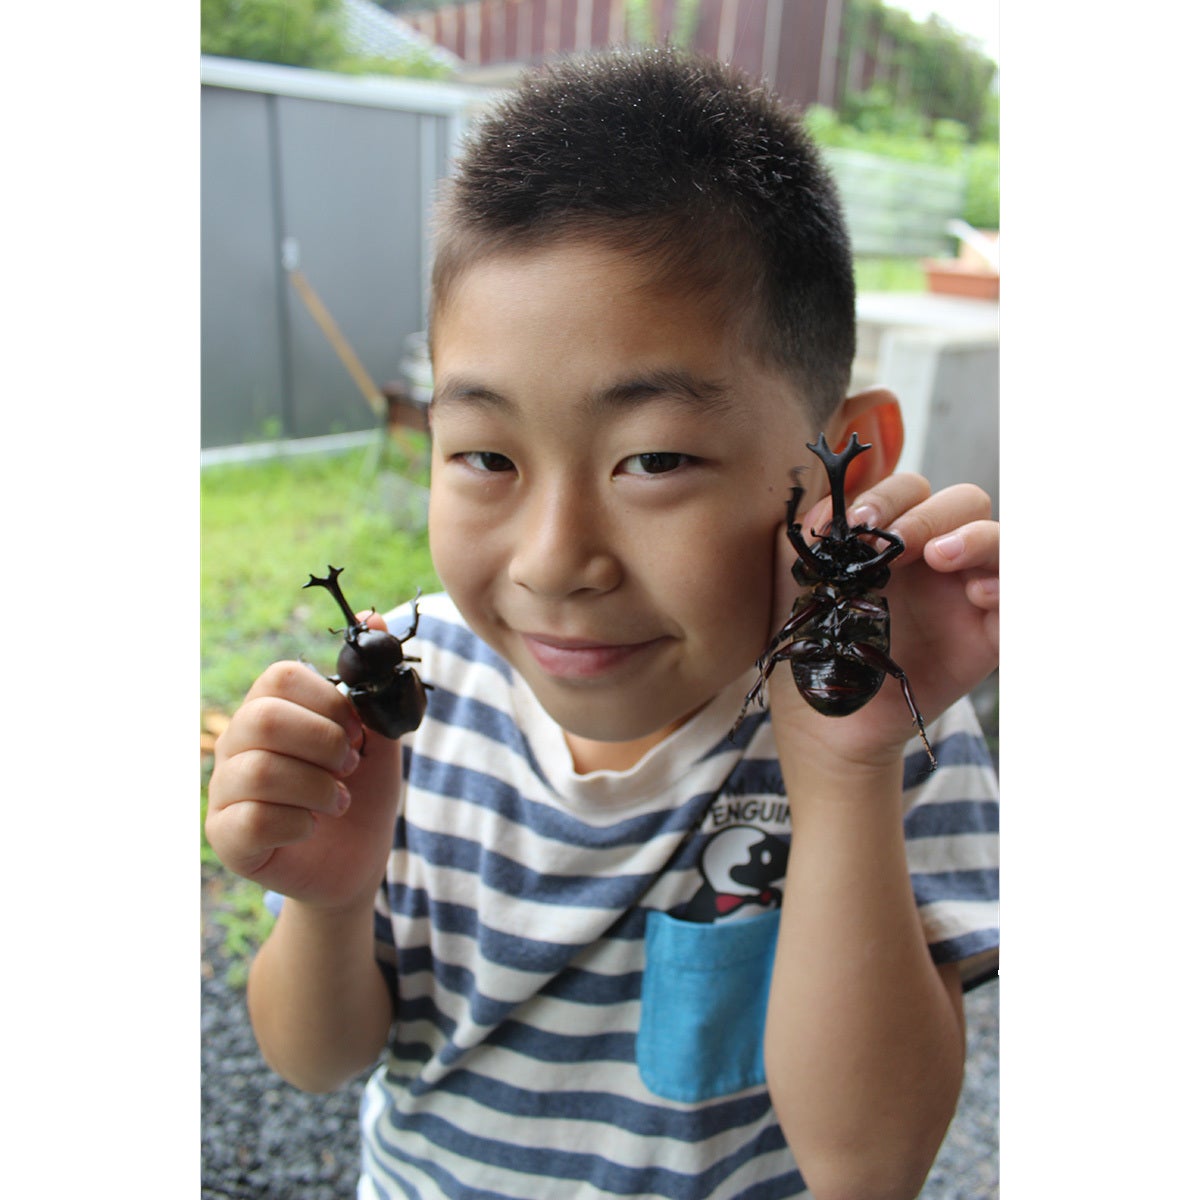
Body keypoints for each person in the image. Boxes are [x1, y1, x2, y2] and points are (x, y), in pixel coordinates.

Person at [206, 46, 999, 1200]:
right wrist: (330, 905)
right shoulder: (401, 707)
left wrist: (843, 770)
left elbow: (868, 1167)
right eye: (486, 456)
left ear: (848, 463)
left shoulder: (894, 725)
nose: (552, 561)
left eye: (655, 459)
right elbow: (316, 1060)